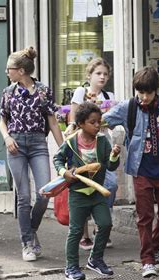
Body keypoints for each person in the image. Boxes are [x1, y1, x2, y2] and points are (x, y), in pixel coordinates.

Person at [102, 66, 159, 278]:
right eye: (140, 92)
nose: (144, 97)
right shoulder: (129, 107)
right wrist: (80, 125)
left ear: (156, 90)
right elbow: (102, 120)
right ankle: (147, 260)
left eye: (149, 93)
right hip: (141, 170)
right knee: (144, 216)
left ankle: (154, 248)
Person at [0, 47, 64, 262]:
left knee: (45, 193)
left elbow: (52, 121)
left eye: (10, 69)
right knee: (24, 196)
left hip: (38, 144)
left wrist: (63, 148)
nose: (7, 72)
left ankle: (30, 230)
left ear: (21, 71)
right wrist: (7, 138)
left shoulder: (44, 91)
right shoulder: (8, 92)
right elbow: (2, 121)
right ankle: (27, 243)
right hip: (15, 144)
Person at [53, 102, 120, 280]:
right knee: (75, 231)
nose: (97, 125)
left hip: (97, 193)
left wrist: (114, 154)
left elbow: (112, 166)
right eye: (93, 122)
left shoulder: (103, 141)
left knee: (105, 224)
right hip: (78, 193)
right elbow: (57, 159)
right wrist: (63, 172)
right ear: (81, 123)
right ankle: (71, 267)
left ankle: (95, 259)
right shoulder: (71, 142)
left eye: (99, 122)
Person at [65, 58, 118, 250]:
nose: (102, 77)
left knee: (110, 184)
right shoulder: (81, 92)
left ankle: (100, 224)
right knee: (83, 186)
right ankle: (84, 234)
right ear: (90, 76)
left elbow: (111, 122)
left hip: (102, 144)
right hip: (82, 146)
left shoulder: (109, 95)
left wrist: (103, 117)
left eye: (105, 74)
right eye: (98, 73)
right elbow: (74, 117)